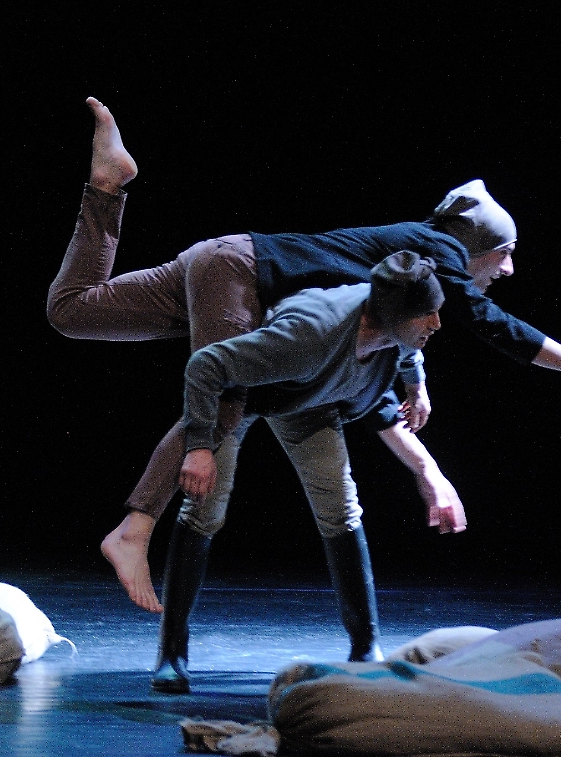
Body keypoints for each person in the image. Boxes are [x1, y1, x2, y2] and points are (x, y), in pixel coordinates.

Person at [47, 97, 561, 613]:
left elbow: (408, 323)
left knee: (72, 311)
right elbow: (490, 324)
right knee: (228, 397)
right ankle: (135, 530)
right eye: (503, 253)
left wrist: (417, 381)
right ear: (475, 246)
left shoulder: (420, 261)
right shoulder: (440, 248)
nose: (508, 267)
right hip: (241, 275)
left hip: (223, 261)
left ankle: (107, 186)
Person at [152, 250, 445, 692]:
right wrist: (198, 447)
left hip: (307, 397)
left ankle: (366, 648)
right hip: (242, 396)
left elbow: (407, 346)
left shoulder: (396, 323)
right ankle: (171, 653)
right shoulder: (310, 334)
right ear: (392, 316)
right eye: (428, 314)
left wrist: (416, 384)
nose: (437, 324)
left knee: (341, 506)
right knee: (204, 509)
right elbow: (206, 365)